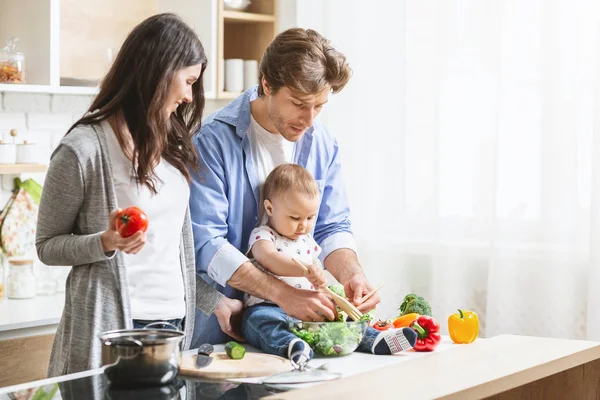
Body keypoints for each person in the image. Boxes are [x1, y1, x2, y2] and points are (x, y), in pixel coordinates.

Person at [36, 13, 243, 377]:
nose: (190, 96)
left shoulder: (172, 145)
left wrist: (213, 301)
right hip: (114, 328)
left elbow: (166, 250)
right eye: (188, 81)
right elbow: (47, 245)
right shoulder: (83, 149)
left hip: (173, 324)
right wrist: (105, 241)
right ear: (158, 72)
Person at [190, 27, 381, 346]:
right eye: (298, 103)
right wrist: (284, 294)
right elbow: (206, 243)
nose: (309, 120)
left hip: (299, 322)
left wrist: (352, 275)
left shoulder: (321, 142)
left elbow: (332, 225)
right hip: (224, 330)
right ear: (266, 83)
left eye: (319, 106)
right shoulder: (212, 142)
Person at [242, 164, 417, 362]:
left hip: (308, 307)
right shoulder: (263, 234)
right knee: (259, 322)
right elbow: (268, 258)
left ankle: (374, 339)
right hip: (269, 305)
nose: (303, 225)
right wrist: (304, 271)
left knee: (338, 320)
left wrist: (329, 294)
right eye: (295, 217)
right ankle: (291, 347)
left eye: (310, 218)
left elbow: (318, 280)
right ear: (270, 208)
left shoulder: (307, 240)